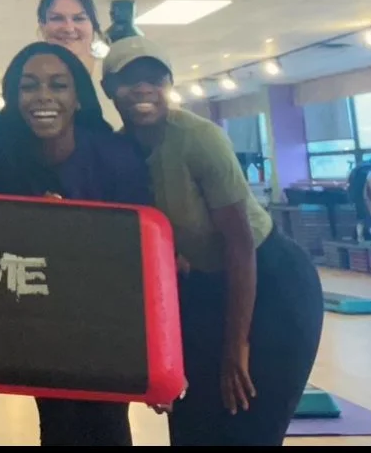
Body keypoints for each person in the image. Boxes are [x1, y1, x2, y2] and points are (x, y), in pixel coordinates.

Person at [99, 35, 324, 447]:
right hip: (204, 289)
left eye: (155, 78)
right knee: (193, 425)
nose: (143, 89)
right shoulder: (116, 152)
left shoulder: (198, 138)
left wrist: (236, 345)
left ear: (168, 84)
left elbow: (239, 244)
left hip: (271, 282)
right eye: (130, 80)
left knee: (248, 422)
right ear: (109, 90)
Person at [0, 41, 147, 447]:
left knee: (109, 424)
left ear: (78, 97)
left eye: (58, 85)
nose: (44, 96)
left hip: (107, 321)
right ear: (13, 98)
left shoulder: (116, 158)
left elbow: (141, 248)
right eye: (29, 86)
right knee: (60, 422)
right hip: (40, 322)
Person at [35, 0, 121, 130]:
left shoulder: (113, 73)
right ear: (42, 26)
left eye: (79, 19)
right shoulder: (29, 79)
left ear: (93, 25)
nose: (69, 28)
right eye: (57, 18)